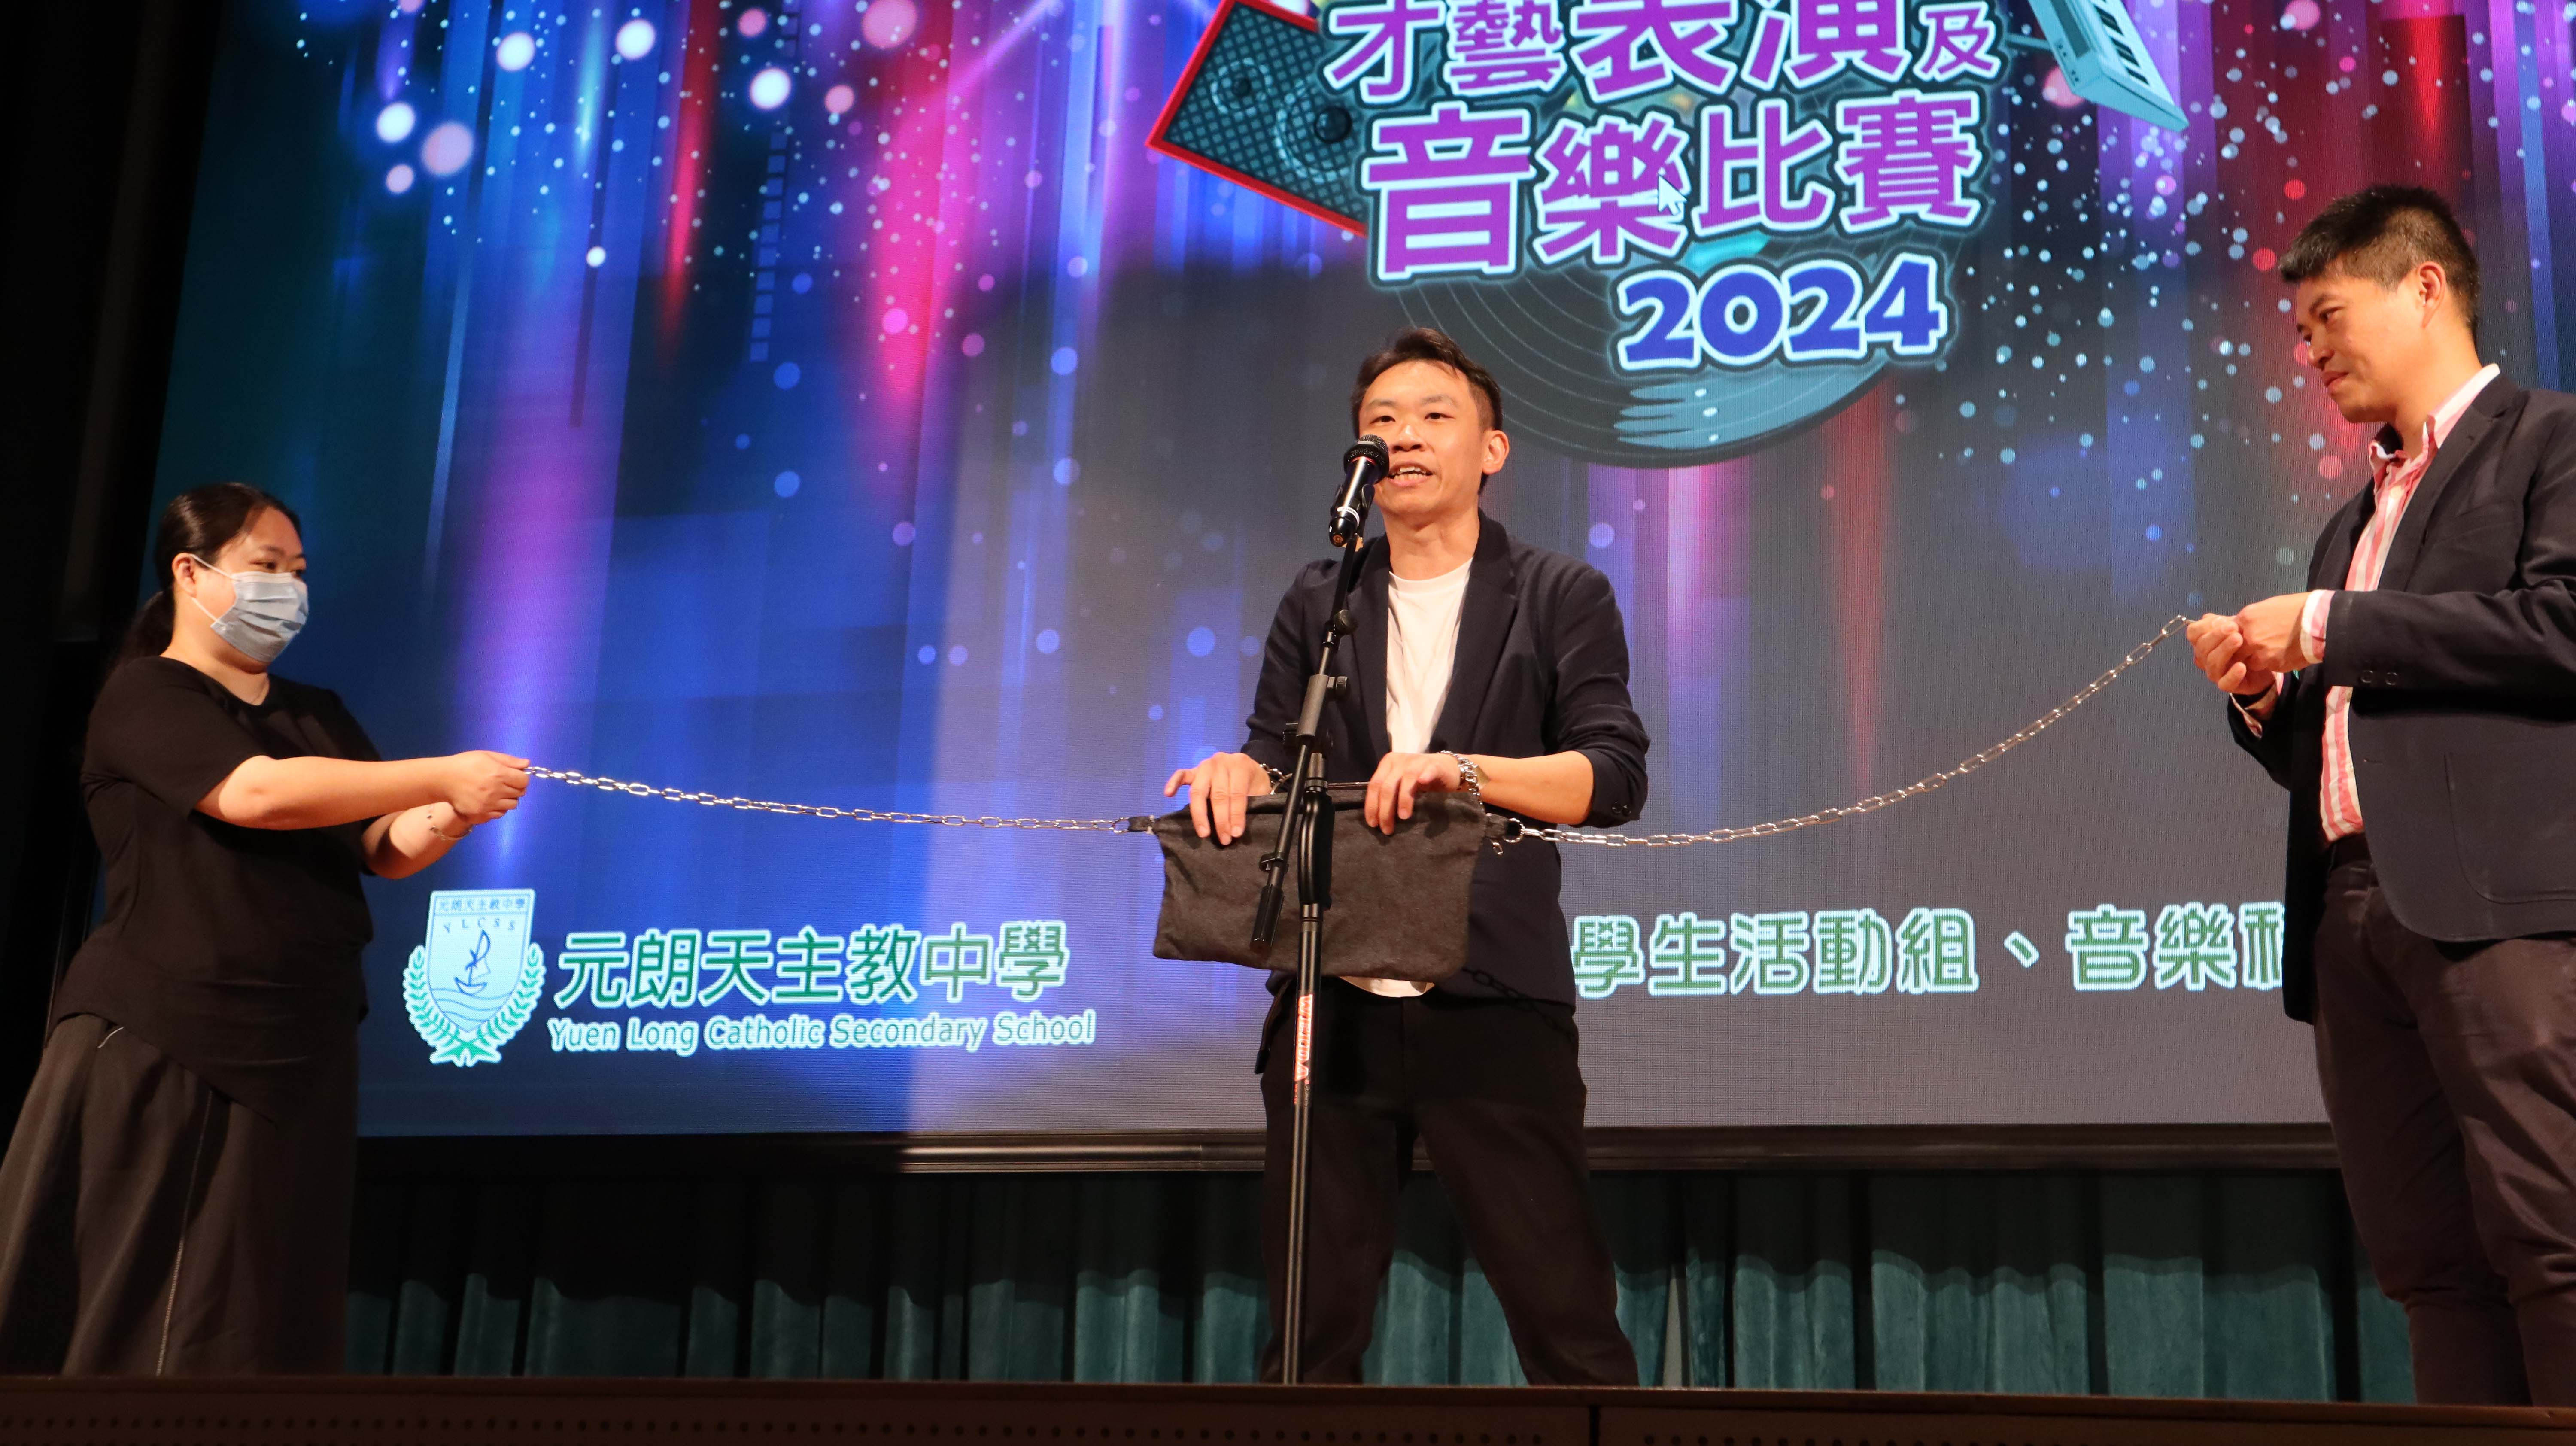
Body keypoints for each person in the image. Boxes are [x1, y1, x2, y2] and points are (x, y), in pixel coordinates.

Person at [1163, 328, 1650, 1383]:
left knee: (1568, 1329)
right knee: (1308, 1343)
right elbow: (1274, 754)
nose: (1405, 437)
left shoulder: (1558, 593)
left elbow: (1613, 776)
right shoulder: (1320, 599)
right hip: (1332, 996)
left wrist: (1463, 771)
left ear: (1493, 450)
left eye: (1435, 416)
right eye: (1381, 421)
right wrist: (1237, 774)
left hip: (1489, 995)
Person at [0, 483, 530, 1374]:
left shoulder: (314, 712)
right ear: (190, 573)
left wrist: (452, 811)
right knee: (145, 1315)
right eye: (266, 566)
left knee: (259, 1319)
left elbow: (383, 845)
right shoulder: (147, 694)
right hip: (172, 1033)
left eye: (299, 571)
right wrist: (442, 771)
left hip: (298, 1042)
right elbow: (255, 793)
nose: (288, 588)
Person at [2188, 186, 2576, 1403]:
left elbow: (2564, 628)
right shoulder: (2349, 523)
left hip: (2500, 912)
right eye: (2301, 330)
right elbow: (2346, 743)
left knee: (2555, 1235)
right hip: (2353, 917)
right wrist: (2267, 696)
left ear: (2425, 288)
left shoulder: (2551, 441)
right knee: (2427, 1265)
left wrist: (2330, 626)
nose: (2311, 350)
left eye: (2329, 316)